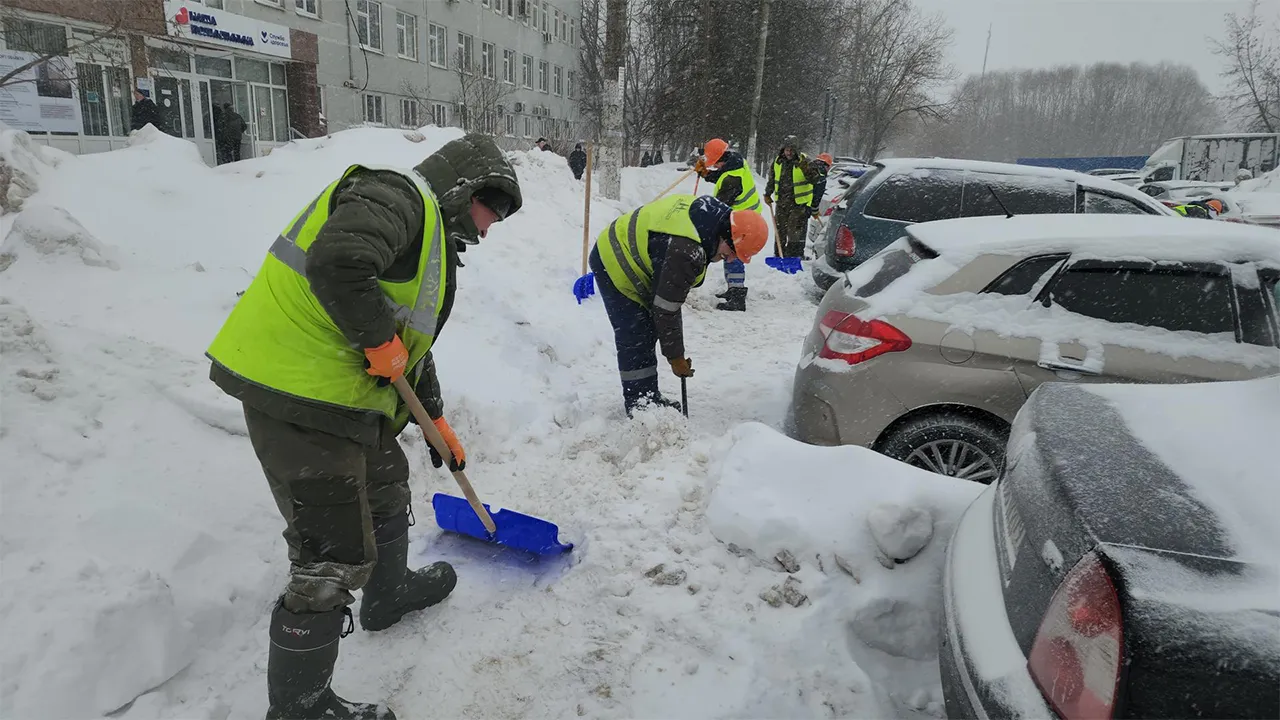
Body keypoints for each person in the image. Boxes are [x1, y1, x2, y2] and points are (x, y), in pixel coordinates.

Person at [205, 133, 522, 719]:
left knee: (385, 480)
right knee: (331, 552)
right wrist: (376, 339)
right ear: (466, 188)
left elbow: (407, 341)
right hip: (297, 390)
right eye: (494, 208)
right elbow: (338, 262)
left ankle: (389, 593)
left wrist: (435, 418)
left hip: (336, 393)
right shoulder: (396, 194)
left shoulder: (425, 234)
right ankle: (300, 709)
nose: (491, 225)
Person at [587, 193, 769, 415]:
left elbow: (670, 300)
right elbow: (666, 308)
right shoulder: (686, 250)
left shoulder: (713, 218)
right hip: (615, 257)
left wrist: (675, 350)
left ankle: (648, 396)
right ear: (727, 237)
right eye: (731, 253)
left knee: (648, 328)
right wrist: (676, 358)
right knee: (636, 333)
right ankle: (641, 405)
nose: (731, 259)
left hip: (632, 248)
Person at [694, 137, 764, 312]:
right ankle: (733, 289)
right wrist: (705, 173)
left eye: (714, 164)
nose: (715, 166)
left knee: (735, 253)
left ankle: (737, 297)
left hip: (744, 221)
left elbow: (720, 206)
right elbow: (719, 176)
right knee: (730, 253)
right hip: (744, 217)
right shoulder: (735, 163)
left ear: (720, 160)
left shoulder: (732, 178)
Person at [763, 135, 823, 258]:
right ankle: (779, 254)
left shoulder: (805, 161)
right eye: (787, 150)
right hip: (782, 203)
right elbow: (772, 179)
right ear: (783, 149)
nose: (789, 153)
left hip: (798, 204)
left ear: (797, 150)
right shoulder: (778, 162)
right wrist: (768, 193)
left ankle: (794, 255)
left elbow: (815, 180)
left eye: (792, 150)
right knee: (780, 230)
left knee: (795, 231)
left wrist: (806, 169)